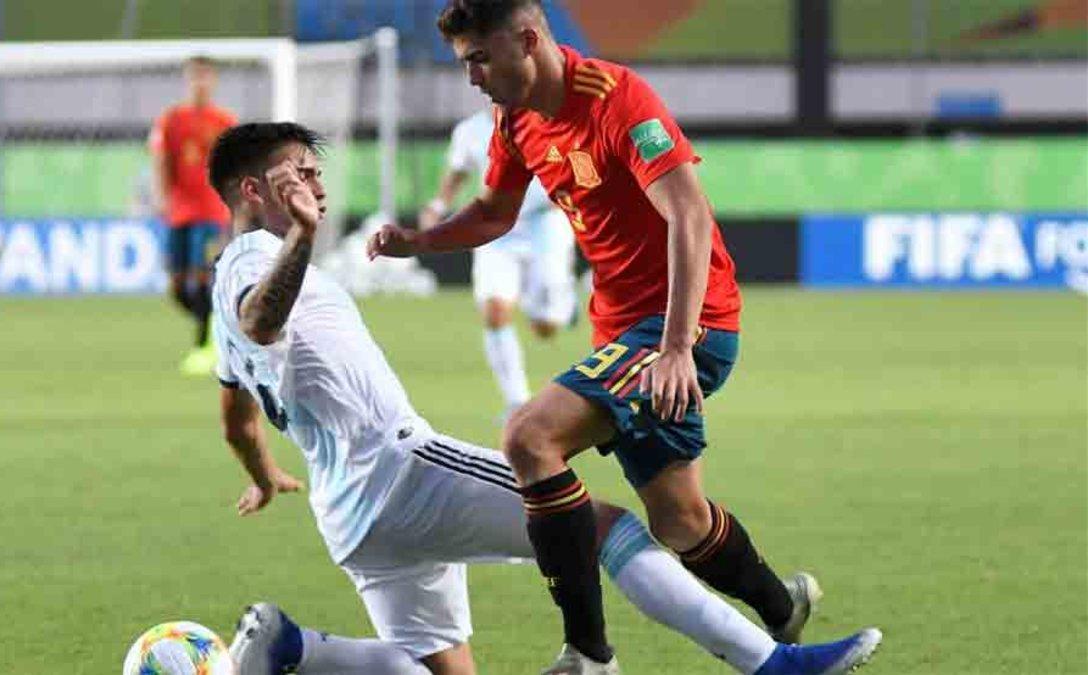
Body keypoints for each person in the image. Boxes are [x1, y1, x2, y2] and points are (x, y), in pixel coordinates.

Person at [209, 121, 880, 675]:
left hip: (349, 515)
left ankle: (296, 650)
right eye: (300, 170)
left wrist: (263, 473)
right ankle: (771, 662)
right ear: (252, 188)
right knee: (600, 526)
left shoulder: (221, 296)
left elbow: (235, 414)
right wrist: (298, 235)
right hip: (402, 469)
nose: (318, 184)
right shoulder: (253, 256)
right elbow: (261, 320)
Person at [367, 2, 883, 672]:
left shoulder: (616, 99)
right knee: (680, 521)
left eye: (478, 58)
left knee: (529, 436)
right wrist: (420, 241)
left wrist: (674, 348)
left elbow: (689, 215)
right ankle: (780, 605)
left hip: (688, 324)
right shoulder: (515, 116)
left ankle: (588, 652)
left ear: (527, 40)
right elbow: (493, 212)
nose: (472, 77)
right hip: (623, 332)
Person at [420, 107, 578, 416]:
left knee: (545, 327)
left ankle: (563, 301)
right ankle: (517, 401)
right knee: (495, 311)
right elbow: (458, 172)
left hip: (544, 224)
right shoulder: (470, 130)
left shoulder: (549, 119)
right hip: (496, 228)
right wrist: (437, 206)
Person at [148, 54, 237, 375]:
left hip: (211, 211)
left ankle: (204, 347)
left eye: (205, 77)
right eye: (194, 77)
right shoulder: (171, 120)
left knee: (202, 277)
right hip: (179, 210)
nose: (200, 83)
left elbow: (236, 167)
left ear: (213, 81)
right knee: (176, 285)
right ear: (188, 81)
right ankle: (216, 325)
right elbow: (160, 159)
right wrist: (161, 197)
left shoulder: (225, 122)